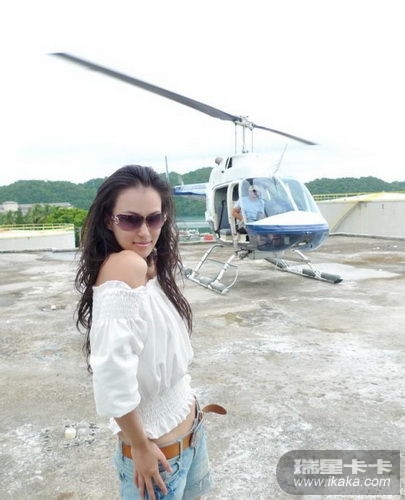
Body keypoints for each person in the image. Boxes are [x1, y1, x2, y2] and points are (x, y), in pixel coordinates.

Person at [75, 165, 212, 500]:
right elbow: (111, 373)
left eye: (154, 218)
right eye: (130, 220)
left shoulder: (147, 266)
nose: (145, 231)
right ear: (109, 220)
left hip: (190, 434)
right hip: (161, 457)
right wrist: (139, 446)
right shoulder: (127, 265)